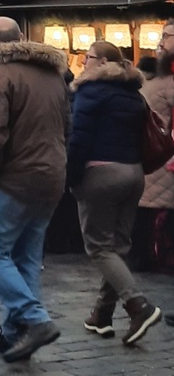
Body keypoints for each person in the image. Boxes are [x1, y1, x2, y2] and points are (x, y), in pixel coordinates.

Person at [0, 17, 69, 363]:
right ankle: (13, 332)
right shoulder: (53, 76)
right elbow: (67, 125)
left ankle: (34, 320)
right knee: (25, 258)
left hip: (12, 177)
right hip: (50, 175)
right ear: (22, 37)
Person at [68, 40, 161, 345]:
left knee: (99, 247)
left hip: (100, 173)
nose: (84, 63)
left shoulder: (90, 91)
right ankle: (102, 313)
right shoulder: (134, 94)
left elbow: (79, 139)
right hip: (133, 173)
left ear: (104, 61)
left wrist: (71, 177)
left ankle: (137, 305)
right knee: (117, 245)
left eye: (89, 57)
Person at [133, 46, 174, 273]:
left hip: (152, 157)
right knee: (162, 216)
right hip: (167, 160)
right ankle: (160, 257)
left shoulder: (149, 87)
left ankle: (144, 257)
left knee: (147, 213)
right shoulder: (168, 87)